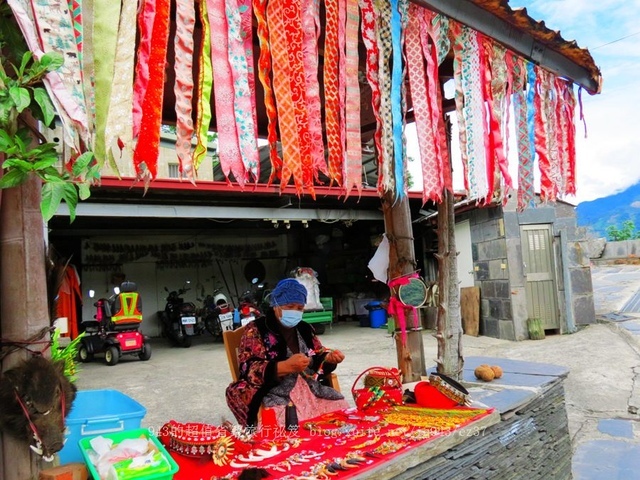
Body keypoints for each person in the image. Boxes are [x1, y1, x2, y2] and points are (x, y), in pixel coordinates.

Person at [225, 278, 348, 428]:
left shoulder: (304, 328)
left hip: (309, 389)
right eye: (290, 306)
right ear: (276, 305)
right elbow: (248, 368)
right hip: (275, 393)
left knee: (340, 410)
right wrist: (286, 366)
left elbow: (317, 354)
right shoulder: (256, 329)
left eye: (299, 308)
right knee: (290, 426)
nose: (295, 312)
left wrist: (328, 359)